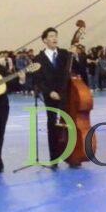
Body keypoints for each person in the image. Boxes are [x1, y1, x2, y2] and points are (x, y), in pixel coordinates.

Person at [33, 28, 73, 168]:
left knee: (70, 123)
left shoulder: (65, 54)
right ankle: (54, 159)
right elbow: (38, 79)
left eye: (56, 35)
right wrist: (49, 92)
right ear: (44, 40)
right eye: (51, 36)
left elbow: (75, 68)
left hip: (66, 94)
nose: (54, 38)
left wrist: (75, 55)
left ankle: (72, 155)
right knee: (52, 125)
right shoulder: (38, 59)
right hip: (50, 96)